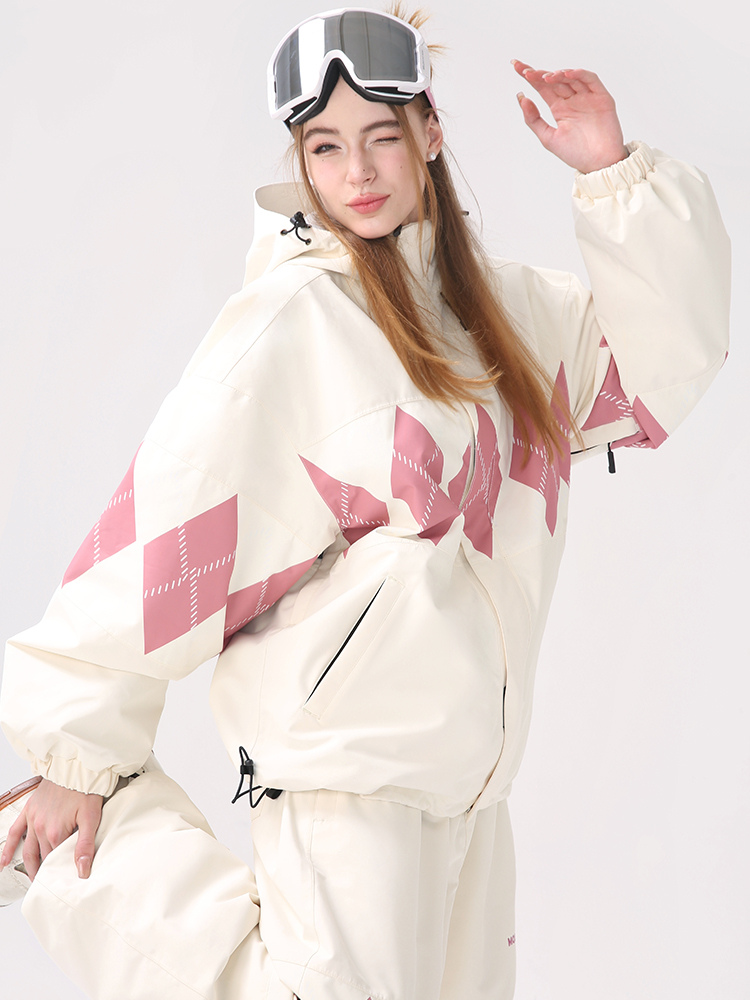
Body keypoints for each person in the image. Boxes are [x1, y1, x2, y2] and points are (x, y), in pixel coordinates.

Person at [0, 6, 730, 1000]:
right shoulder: (296, 321)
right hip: (347, 779)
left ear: (430, 133)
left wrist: (612, 174)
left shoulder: (509, 317)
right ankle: (73, 855)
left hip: (474, 792)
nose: (358, 173)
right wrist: (75, 742)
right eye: (326, 147)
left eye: (382, 136)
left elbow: (660, 368)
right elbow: (176, 516)